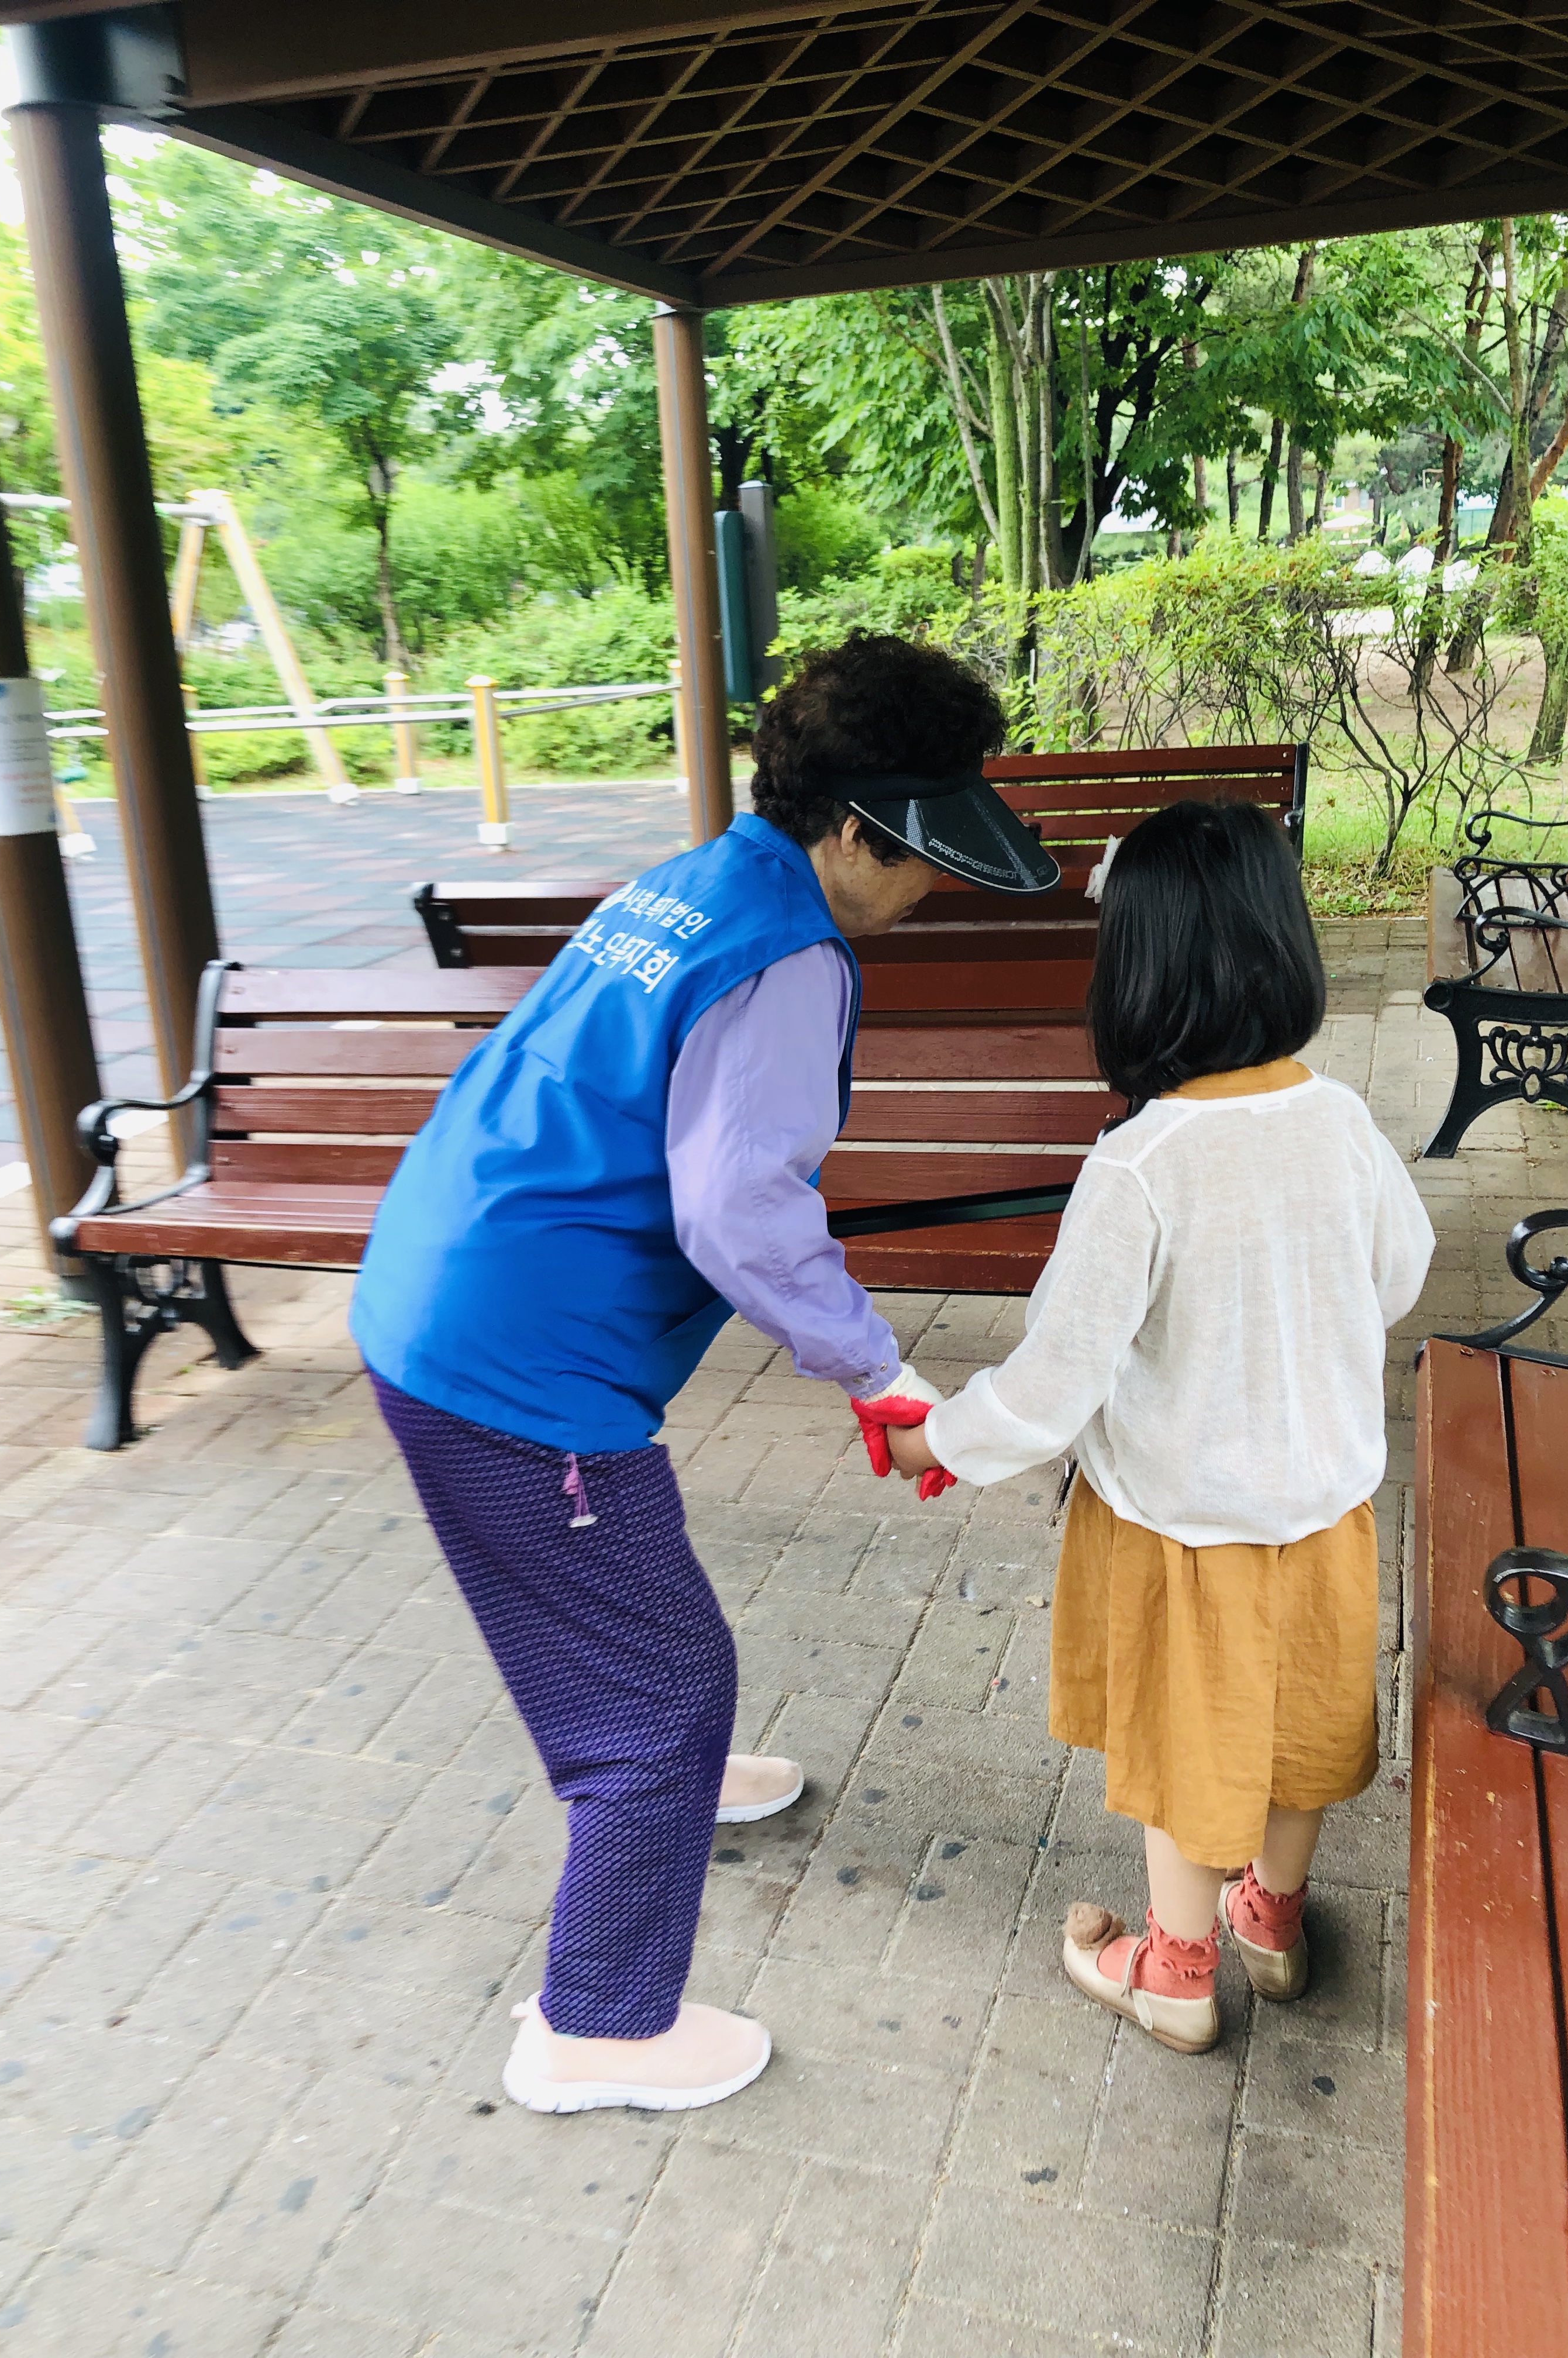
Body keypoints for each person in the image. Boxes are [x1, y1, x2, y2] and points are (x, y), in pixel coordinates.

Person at [349, 632, 1059, 2112]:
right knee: (665, 1685)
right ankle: (599, 2024)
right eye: (922, 851)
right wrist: (876, 1372)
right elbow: (739, 1209)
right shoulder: (789, 953)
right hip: (517, 1364)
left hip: (440, 1292)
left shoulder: (699, 882)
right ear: (853, 831)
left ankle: (659, 1789)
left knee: (615, 1622)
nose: (933, 886)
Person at [883, 798, 1433, 2054]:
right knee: (1299, 1727)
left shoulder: (1140, 1165)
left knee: (1195, 1745)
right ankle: (1272, 1922)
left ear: (1138, 972)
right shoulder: (1342, 1118)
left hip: (1183, 1525)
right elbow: (1400, 1275)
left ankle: (1177, 1975)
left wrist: (936, 1438)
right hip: (1325, 1508)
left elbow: (1053, 1384)